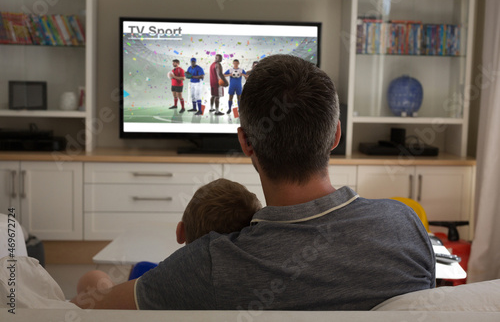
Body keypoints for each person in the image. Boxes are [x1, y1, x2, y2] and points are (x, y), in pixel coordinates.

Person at [72, 54, 435, 311]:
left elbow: (92, 308)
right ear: (336, 134)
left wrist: (99, 283)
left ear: (245, 141)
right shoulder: (405, 226)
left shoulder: (210, 263)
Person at [72, 179, 261, 306]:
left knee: (94, 278)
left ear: (180, 232)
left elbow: (82, 306)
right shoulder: (259, 282)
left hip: (146, 289)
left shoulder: (164, 281)